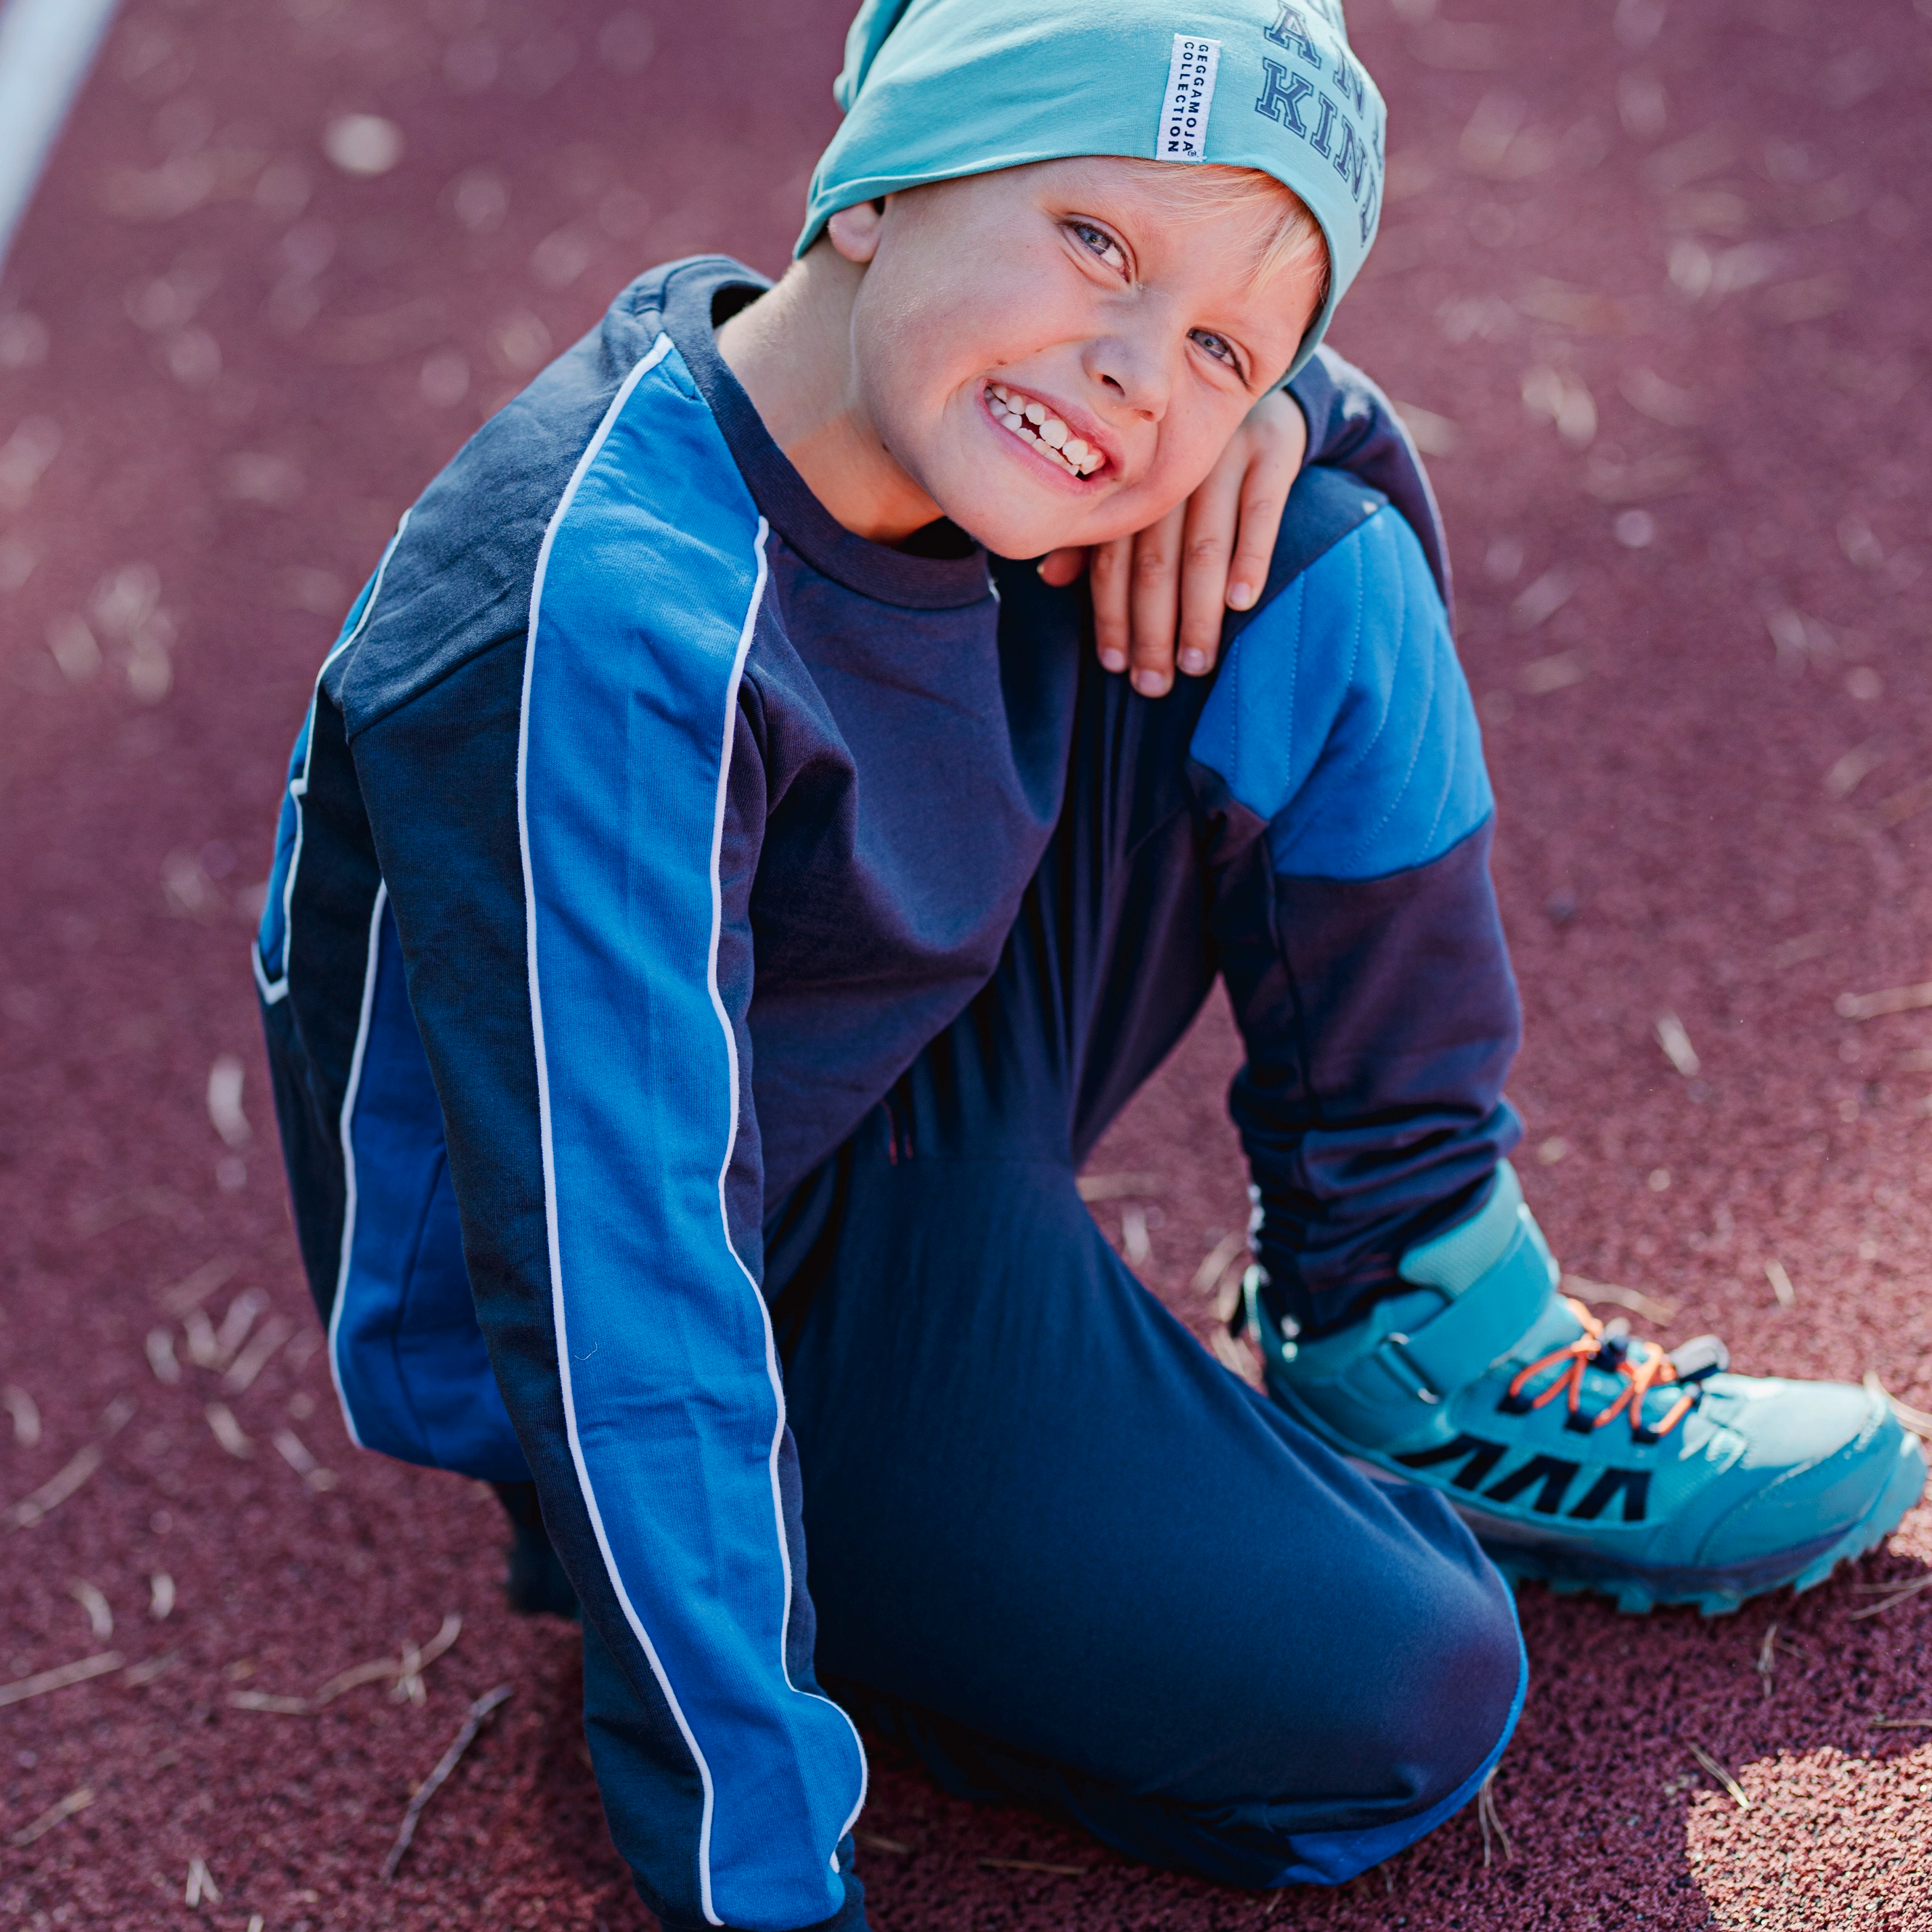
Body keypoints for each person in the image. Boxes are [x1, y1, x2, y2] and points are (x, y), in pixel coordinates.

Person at [253, 3, 1926, 1928]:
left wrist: (1290, 418)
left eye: (1219, 339)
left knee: (1309, 551)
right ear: (876, 184)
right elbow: (615, 1291)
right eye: (1094, 242)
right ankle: (847, 1585)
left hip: (878, 1037)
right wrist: (754, 1872)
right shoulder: (611, 624)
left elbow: (1270, 459)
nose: (1131, 369)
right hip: (725, 1294)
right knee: (1404, 1691)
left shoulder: (952, 416)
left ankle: (1409, 1322)